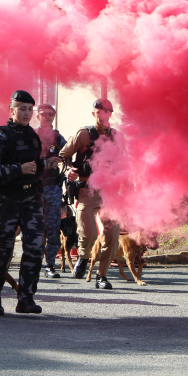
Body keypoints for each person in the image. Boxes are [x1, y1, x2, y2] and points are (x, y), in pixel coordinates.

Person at [0, 90, 60, 315]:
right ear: (11, 110)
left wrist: (46, 165)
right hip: (5, 200)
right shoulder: (1, 135)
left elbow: (34, 167)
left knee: (35, 248)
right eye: (22, 109)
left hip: (31, 199)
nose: (26, 113)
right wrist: (18, 169)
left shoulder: (32, 136)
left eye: (29, 109)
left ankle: (26, 299)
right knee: (3, 251)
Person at [59, 98, 121, 290]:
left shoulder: (117, 137)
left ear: (111, 114)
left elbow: (125, 162)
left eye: (107, 111)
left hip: (110, 192)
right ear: (93, 113)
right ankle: (84, 256)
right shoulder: (84, 134)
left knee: (113, 235)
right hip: (87, 190)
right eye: (99, 111)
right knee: (88, 233)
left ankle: (102, 275)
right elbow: (63, 155)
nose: (103, 114)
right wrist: (68, 170)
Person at [35, 104, 67, 278]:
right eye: (44, 114)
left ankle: (50, 264)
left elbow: (68, 156)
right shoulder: (31, 136)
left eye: (51, 114)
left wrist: (61, 161)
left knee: (53, 227)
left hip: (53, 187)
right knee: (34, 227)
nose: (47, 117)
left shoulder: (58, 138)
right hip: (34, 188)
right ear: (38, 116)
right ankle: (35, 261)